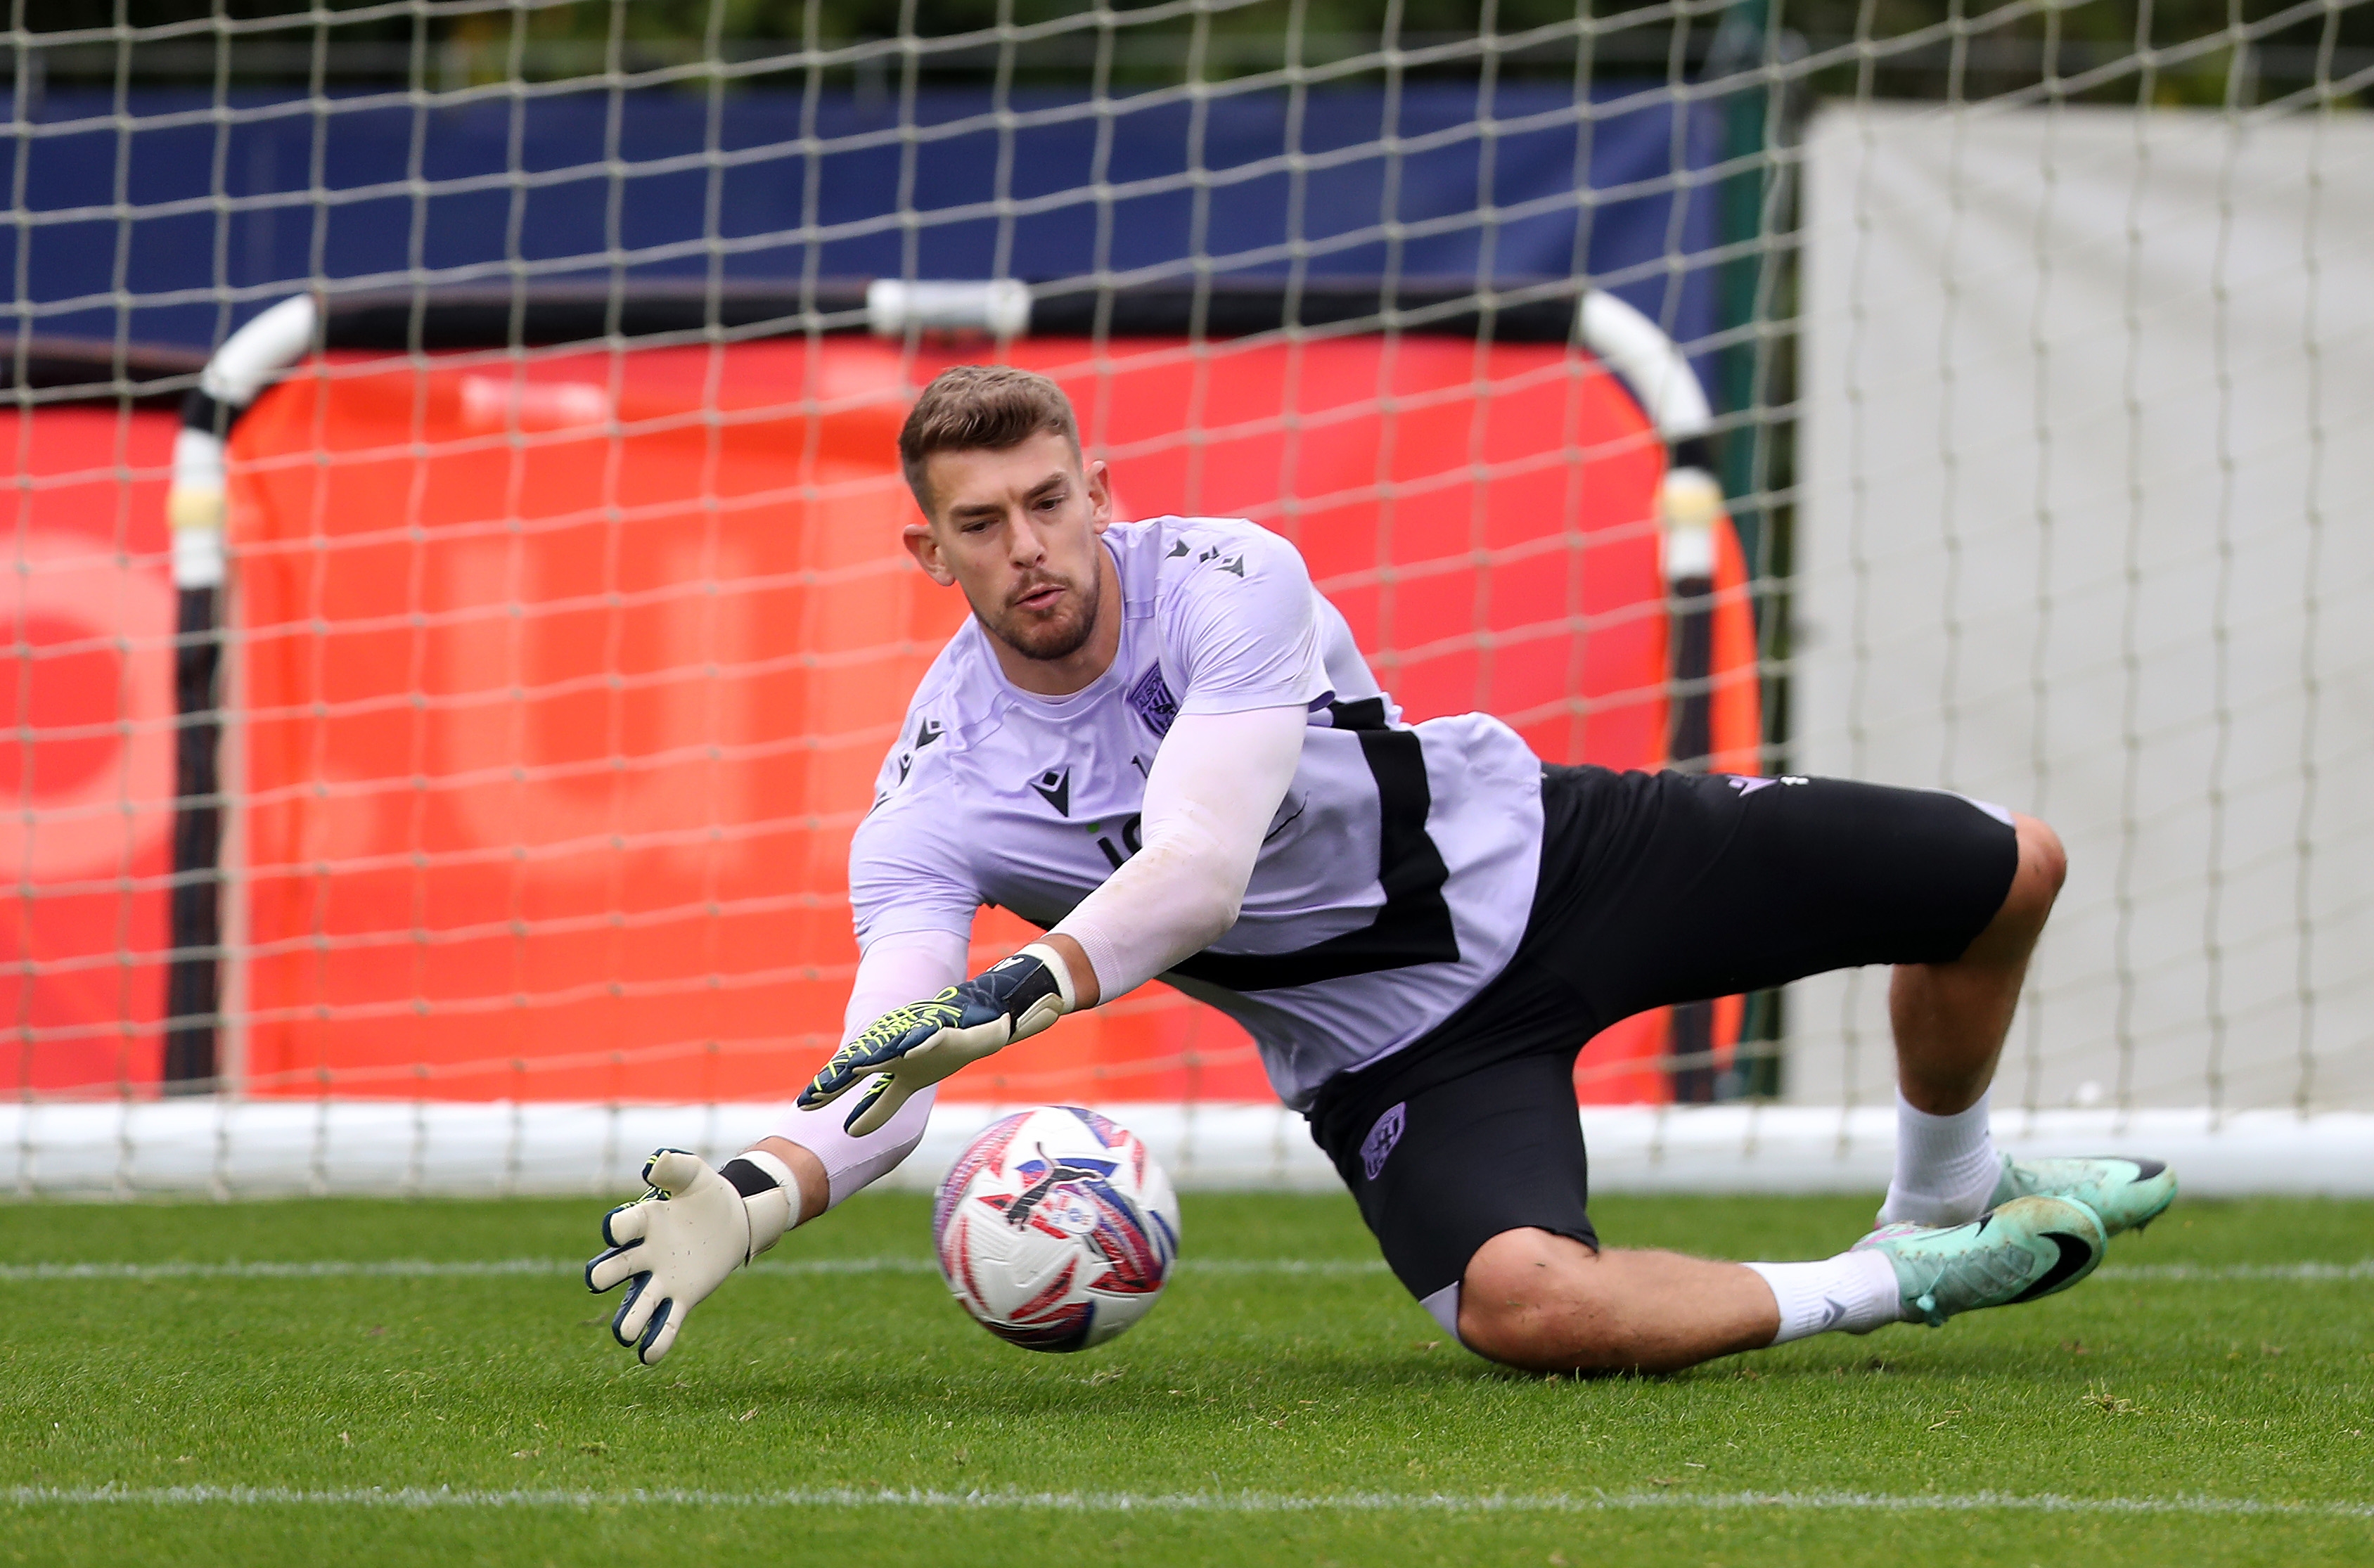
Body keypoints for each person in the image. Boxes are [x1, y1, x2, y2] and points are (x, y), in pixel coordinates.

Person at [586, 365, 2175, 1370]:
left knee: (2005, 866)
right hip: (1390, 1048)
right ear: (928, 555)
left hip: (1561, 856)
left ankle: (1946, 1182)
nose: (1033, 547)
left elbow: (1197, 868)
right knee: (1527, 1309)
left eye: (1053, 502)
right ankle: (1900, 1275)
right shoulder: (931, 801)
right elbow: (897, 1048)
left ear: (1099, 493)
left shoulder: (1226, 580)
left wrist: (1034, 981)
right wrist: (761, 1187)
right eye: (984, 523)